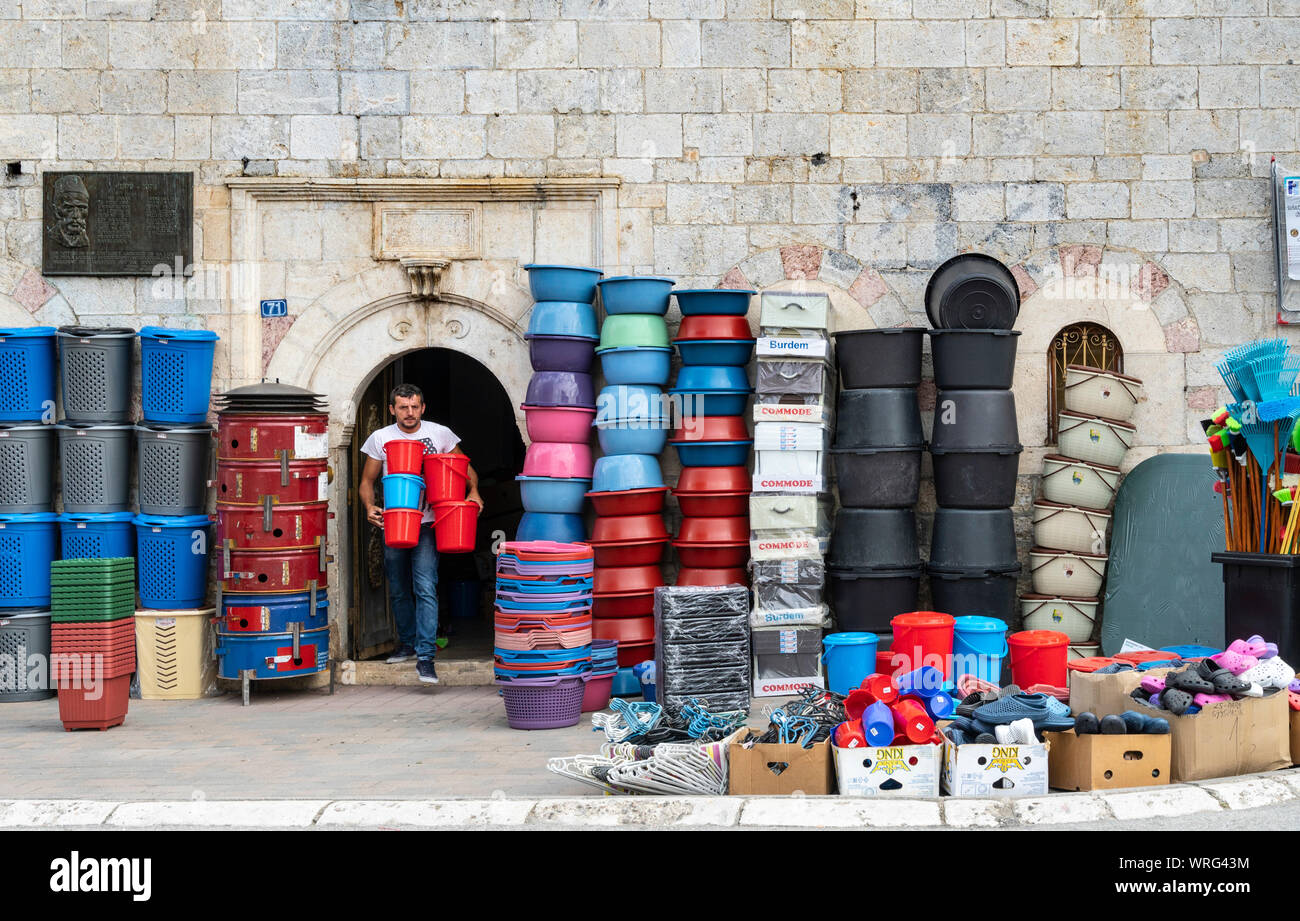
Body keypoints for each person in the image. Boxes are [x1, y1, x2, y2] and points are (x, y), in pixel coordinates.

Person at [359, 383, 483, 685]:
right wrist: (369, 506)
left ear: (423, 407)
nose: (410, 412)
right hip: (395, 521)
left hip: (428, 521)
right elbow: (367, 480)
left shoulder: (439, 434)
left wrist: (475, 492)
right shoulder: (382, 438)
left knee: (425, 585)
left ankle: (426, 657)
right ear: (392, 410)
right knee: (399, 587)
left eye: (415, 406)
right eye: (403, 407)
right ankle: (407, 642)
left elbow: (465, 468)